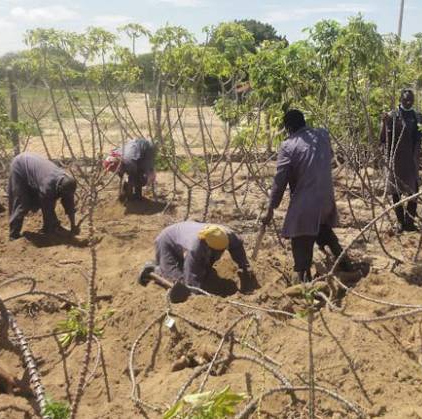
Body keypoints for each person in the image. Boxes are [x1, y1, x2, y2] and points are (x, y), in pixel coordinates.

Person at [262, 109, 353, 283]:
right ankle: (345, 264)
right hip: (326, 198)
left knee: (300, 235)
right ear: (304, 122)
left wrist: (271, 208)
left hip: (307, 201)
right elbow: (329, 158)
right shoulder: (322, 134)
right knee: (320, 226)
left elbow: (280, 180)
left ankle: (301, 277)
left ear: (288, 128)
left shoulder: (288, 146)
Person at [138, 222, 257, 302]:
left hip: (182, 237)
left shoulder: (227, 234)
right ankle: (154, 270)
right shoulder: (195, 247)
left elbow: (237, 246)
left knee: (206, 272)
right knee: (179, 281)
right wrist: (199, 299)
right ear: (207, 246)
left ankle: (167, 267)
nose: (221, 253)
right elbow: (191, 278)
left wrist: (244, 266)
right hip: (167, 242)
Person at [379, 88, 422, 233]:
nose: (408, 102)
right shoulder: (392, 116)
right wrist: (383, 123)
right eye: (405, 100)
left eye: (411, 100)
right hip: (396, 161)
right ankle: (400, 222)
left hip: (412, 160)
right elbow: (383, 139)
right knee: (396, 191)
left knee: (414, 191)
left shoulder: (418, 117)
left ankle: (409, 222)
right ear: (400, 100)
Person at [7, 153, 78, 240]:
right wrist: (49, 229)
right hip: (19, 167)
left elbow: (69, 205)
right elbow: (47, 209)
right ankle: (13, 235)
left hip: (33, 167)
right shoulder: (48, 185)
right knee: (21, 202)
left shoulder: (67, 183)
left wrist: (73, 226)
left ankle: (52, 225)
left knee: (44, 203)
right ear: (58, 189)